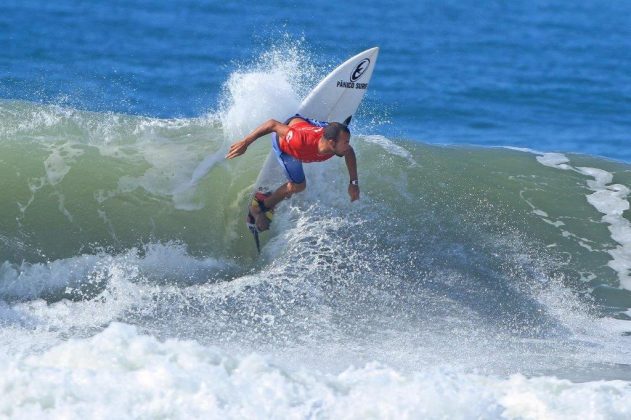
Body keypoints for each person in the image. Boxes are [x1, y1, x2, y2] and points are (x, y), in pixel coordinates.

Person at [226, 115, 360, 231]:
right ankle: (260, 207)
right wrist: (245, 142)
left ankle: (337, 127)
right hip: (287, 148)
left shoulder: (336, 146)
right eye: (345, 142)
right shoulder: (299, 141)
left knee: (333, 131)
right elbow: (272, 124)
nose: (348, 146)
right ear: (331, 143)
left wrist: (353, 183)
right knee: (299, 186)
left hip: (308, 126)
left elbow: (349, 152)